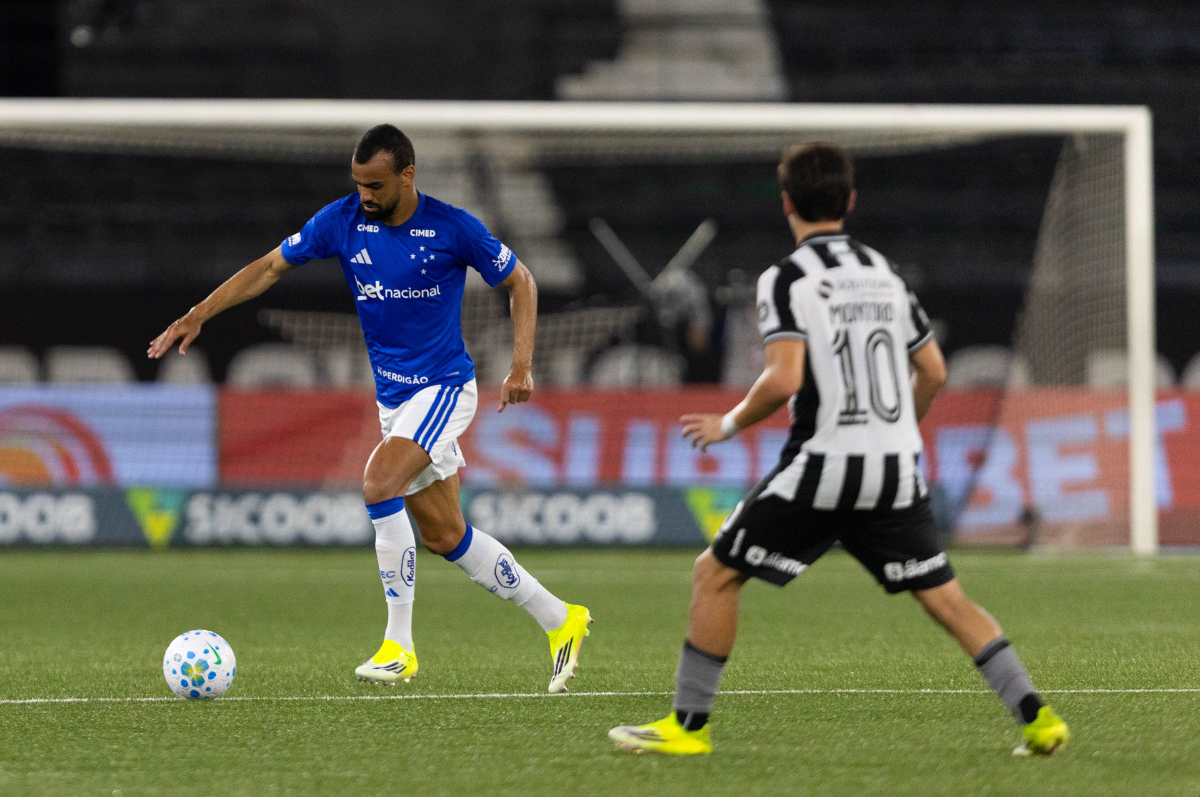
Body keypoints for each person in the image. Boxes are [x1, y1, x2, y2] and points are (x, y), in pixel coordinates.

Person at [608, 142, 1068, 755]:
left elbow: (785, 377)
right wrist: (901, 428)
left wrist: (729, 424)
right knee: (945, 597)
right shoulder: (885, 272)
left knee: (715, 574)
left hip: (826, 465)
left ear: (787, 204)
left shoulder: (787, 277)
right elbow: (932, 369)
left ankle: (687, 729)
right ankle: (1037, 718)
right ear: (850, 202)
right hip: (896, 469)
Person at [148, 124, 592, 693]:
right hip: (395, 401)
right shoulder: (341, 220)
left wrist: (521, 365)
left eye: (376, 185)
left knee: (378, 481)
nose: (365, 196)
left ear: (407, 175)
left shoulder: (453, 227)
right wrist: (200, 312)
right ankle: (561, 619)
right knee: (445, 535)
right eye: (358, 184)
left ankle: (398, 647)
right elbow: (267, 268)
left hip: (444, 388)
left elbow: (521, 281)